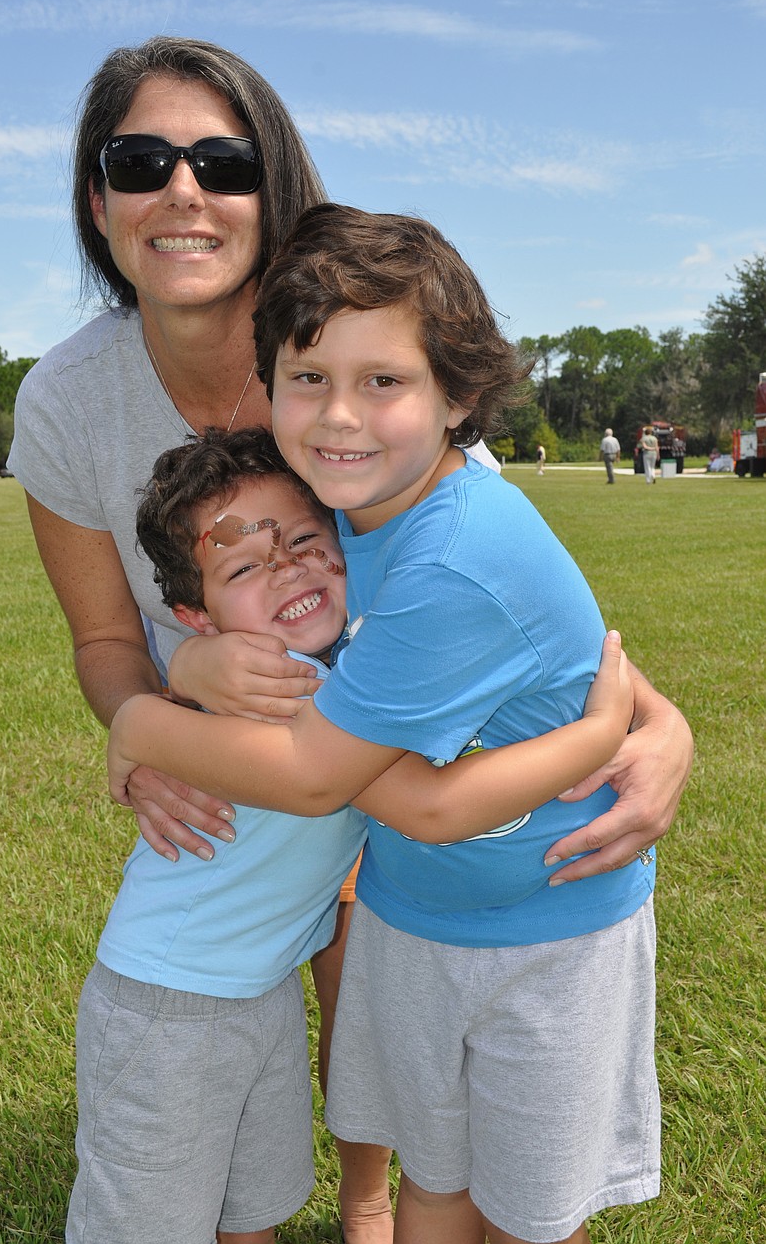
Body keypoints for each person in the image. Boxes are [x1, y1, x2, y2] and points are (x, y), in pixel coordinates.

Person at [8, 35, 689, 1239]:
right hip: (282, 770)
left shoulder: (375, 366)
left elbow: (518, 613)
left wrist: (650, 726)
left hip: (385, 784)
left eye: (219, 160)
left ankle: (368, 1194)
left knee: (364, 900)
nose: (181, 189)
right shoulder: (71, 395)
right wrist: (155, 700)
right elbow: (104, 640)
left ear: (272, 189)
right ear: (95, 195)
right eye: (139, 158)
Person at [77, 423, 629, 1244]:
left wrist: (168, 688)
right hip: (167, 1003)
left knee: (247, 1210)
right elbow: (429, 806)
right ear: (194, 615)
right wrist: (597, 733)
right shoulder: (279, 693)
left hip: (256, 990)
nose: (289, 567)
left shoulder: (351, 660)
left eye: (304, 539)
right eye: (244, 566)